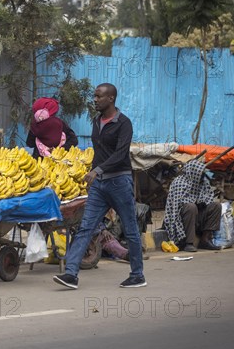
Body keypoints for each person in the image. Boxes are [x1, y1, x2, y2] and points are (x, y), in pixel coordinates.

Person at [53, 83, 147, 289]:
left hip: (119, 182)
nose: (94, 99)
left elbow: (120, 154)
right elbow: (100, 151)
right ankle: (70, 274)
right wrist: (93, 170)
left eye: (98, 96)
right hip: (99, 185)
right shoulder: (96, 121)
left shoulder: (123, 123)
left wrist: (98, 170)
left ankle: (137, 274)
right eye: (94, 96)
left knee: (131, 229)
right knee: (85, 227)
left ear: (111, 98)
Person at [163, 159, 221, 252]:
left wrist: (203, 202)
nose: (202, 175)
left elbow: (208, 197)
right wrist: (196, 202)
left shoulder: (203, 182)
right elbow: (176, 207)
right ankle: (188, 243)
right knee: (191, 207)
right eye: (200, 172)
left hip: (198, 216)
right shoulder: (179, 182)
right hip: (181, 218)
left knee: (216, 206)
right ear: (193, 172)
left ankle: (205, 239)